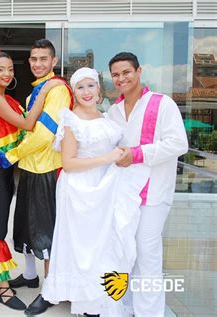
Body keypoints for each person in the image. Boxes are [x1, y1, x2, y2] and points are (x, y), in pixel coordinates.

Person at [28, 67, 149, 316]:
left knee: (101, 245)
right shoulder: (70, 120)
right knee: (76, 244)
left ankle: (96, 298)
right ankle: (68, 293)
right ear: (74, 92)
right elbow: (69, 164)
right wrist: (107, 158)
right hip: (78, 190)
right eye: (80, 87)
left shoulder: (108, 119)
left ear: (99, 90)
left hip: (105, 191)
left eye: (90, 86)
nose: (86, 92)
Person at [0, 47, 61, 311]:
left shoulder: (7, 98)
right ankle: (1, 286)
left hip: (6, 168)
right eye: (0, 69)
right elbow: (27, 125)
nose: (6, 73)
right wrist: (44, 92)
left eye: (10, 69)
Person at [0, 39, 73, 311]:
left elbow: (45, 133)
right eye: (33, 59)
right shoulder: (36, 91)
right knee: (27, 228)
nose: (38, 63)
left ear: (53, 61)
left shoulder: (57, 90)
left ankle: (50, 290)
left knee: (45, 234)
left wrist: (11, 155)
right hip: (28, 168)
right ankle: (30, 276)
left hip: (46, 170)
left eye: (43, 59)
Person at [107, 52, 188, 317]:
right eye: (116, 75)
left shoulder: (161, 103)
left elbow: (179, 144)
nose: (121, 78)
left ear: (139, 71)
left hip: (153, 194)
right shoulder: (113, 111)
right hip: (123, 196)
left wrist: (137, 154)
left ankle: (150, 313)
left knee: (147, 255)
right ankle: (127, 308)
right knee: (123, 254)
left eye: (126, 72)